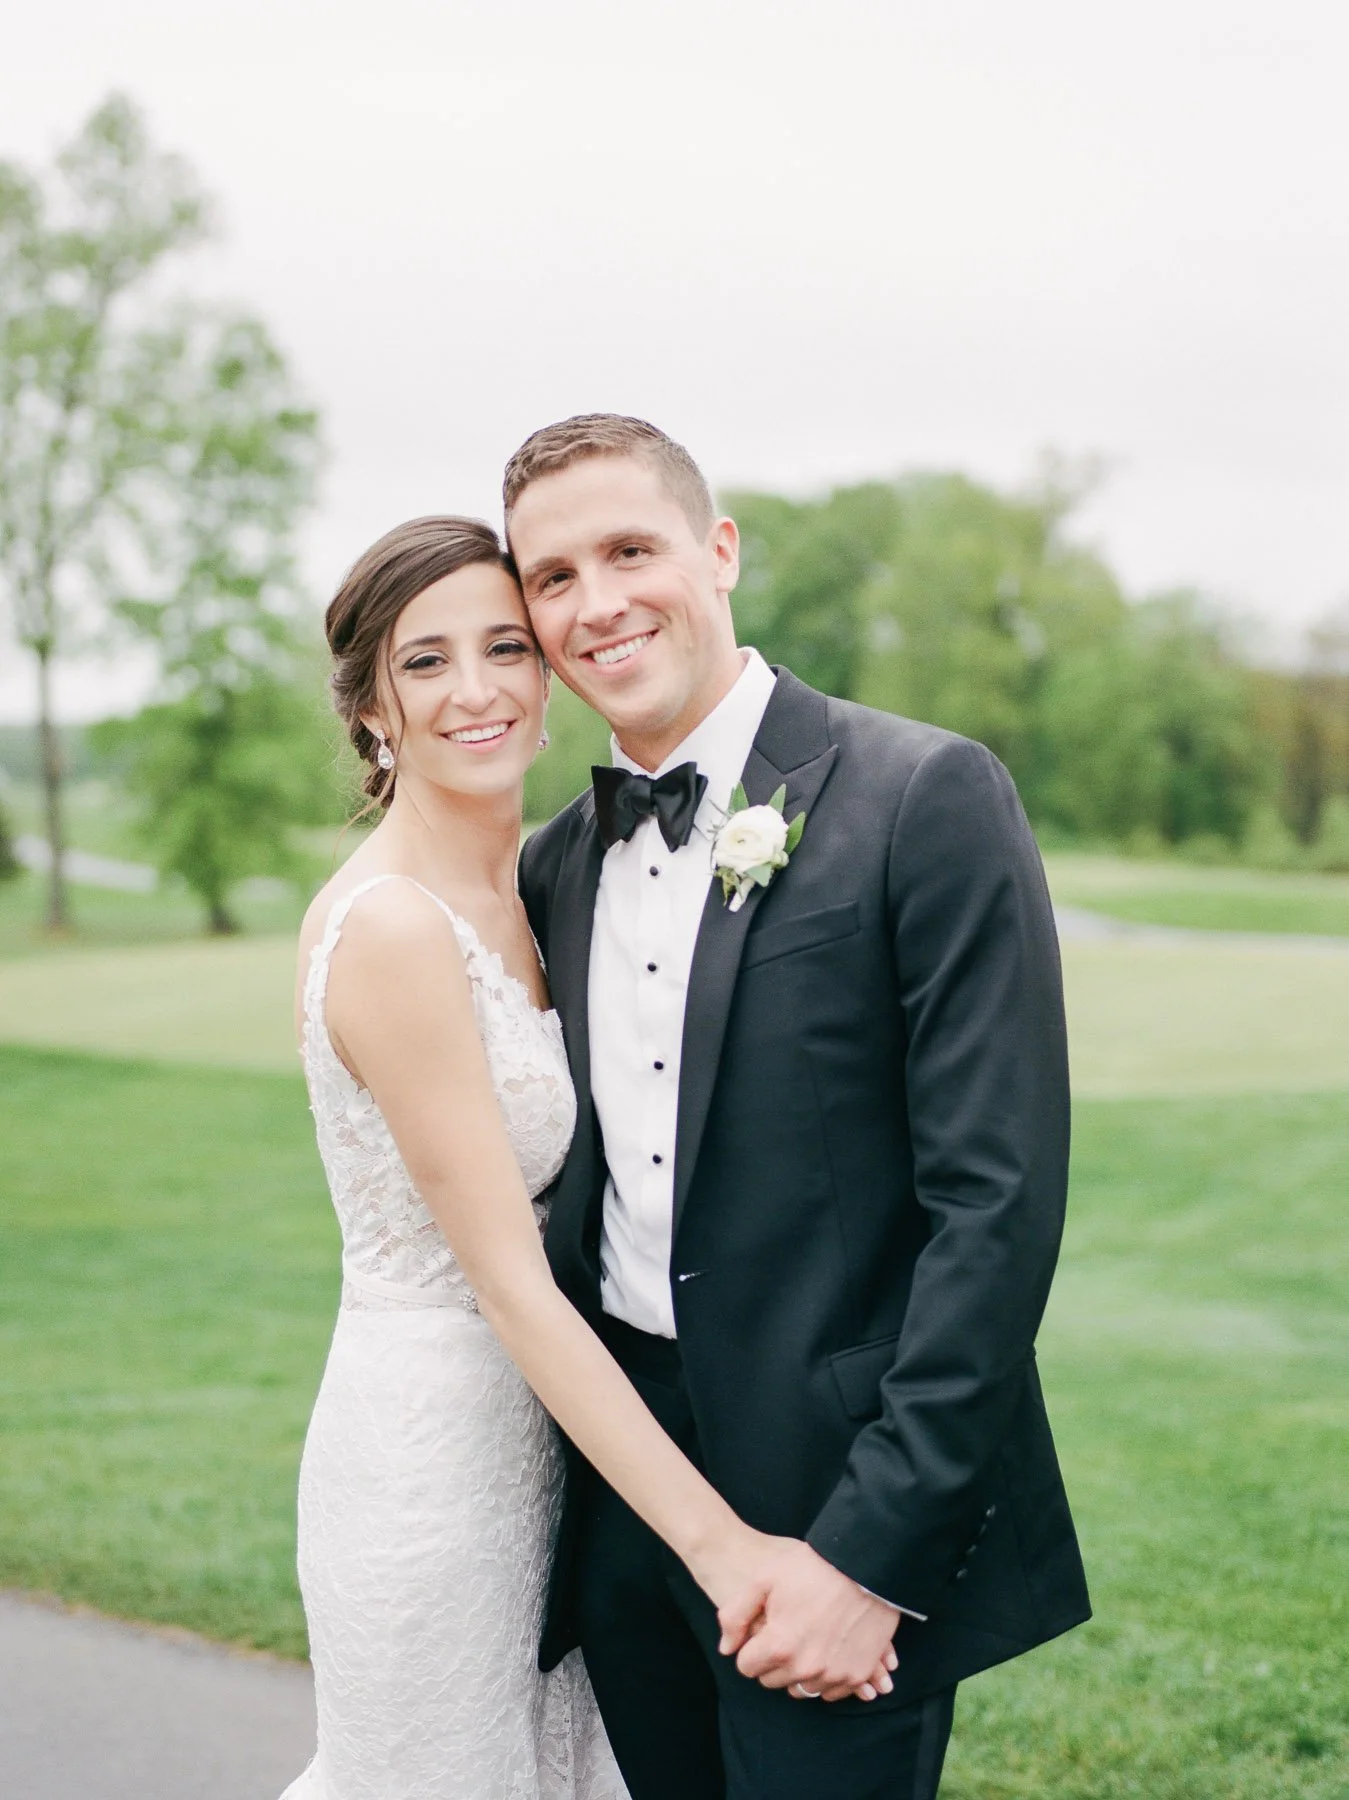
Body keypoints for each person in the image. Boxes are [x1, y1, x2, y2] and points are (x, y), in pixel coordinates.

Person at [511, 415, 1093, 1800]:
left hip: (838, 1504)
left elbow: (995, 1207)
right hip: (622, 1506)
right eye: (550, 576)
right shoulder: (554, 862)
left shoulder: (924, 795)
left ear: (718, 553)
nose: (595, 603)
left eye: (629, 550)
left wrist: (871, 1558)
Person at [278, 517, 894, 1800]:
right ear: (369, 709)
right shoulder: (393, 926)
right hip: (435, 1465)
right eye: (426, 662)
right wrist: (724, 1551)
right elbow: (509, 1283)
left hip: (565, 1461)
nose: (480, 689)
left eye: (506, 646)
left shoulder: (545, 882)